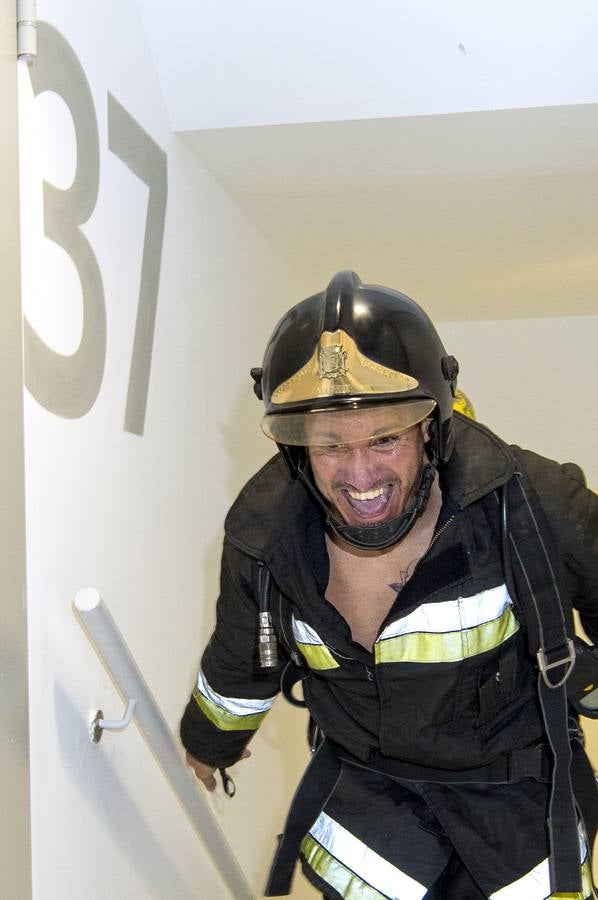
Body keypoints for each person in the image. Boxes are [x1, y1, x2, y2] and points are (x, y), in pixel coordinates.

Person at [180, 271, 598, 899]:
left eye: (385, 438)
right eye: (330, 447)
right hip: (372, 824)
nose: (360, 474)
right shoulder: (264, 537)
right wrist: (206, 745)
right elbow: (244, 659)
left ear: (431, 427)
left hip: (521, 818)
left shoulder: (533, 504)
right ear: (299, 451)